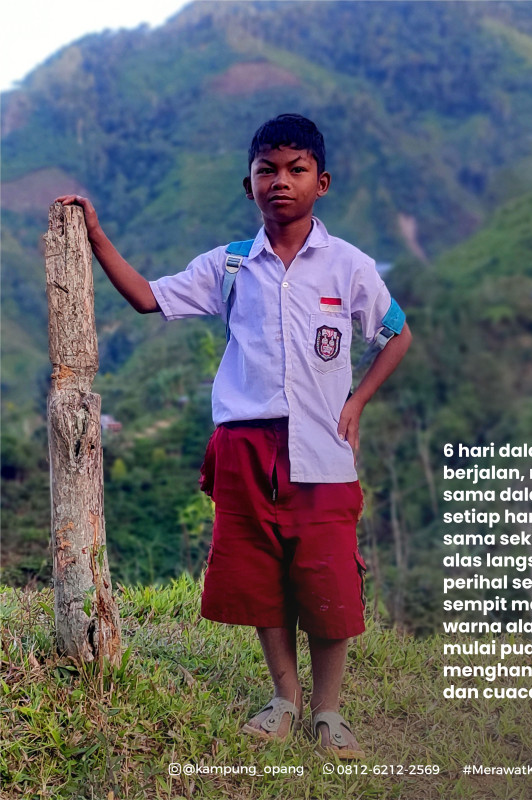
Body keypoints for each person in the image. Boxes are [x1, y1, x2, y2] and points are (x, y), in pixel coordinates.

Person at [56, 113, 412, 759]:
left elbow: (397, 334)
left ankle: (329, 712)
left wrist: (358, 400)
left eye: (296, 170)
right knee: (261, 577)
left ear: (321, 182)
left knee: (329, 578)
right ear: (248, 186)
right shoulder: (228, 267)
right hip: (244, 448)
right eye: (267, 171)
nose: (281, 182)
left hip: (323, 454)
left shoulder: (349, 267)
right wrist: (98, 237)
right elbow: (145, 297)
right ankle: (284, 699)